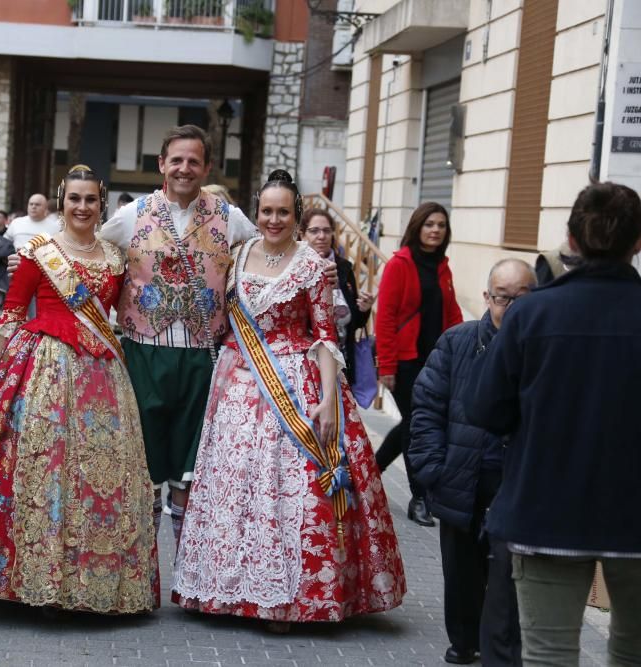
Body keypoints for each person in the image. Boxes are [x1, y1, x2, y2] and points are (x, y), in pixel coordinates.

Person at [172, 170, 405, 633]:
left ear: (296, 215)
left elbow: (325, 335)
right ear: (255, 213)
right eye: (266, 211)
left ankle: (290, 600)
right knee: (235, 487)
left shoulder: (313, 266)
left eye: (283, 212)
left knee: (286, 490)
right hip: (237, 386)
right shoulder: (237, 256)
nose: (273, 219)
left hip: (295, 385)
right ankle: (225, 588)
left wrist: (330, 402)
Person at [0, 165, 158, 613]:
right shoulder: (37, 252)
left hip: (100, 379)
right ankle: (26, 577)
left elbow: (126, 311)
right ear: (61, 201)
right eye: (74, 199)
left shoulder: (114, 256)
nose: (82, 207)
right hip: (41, 370)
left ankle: (90, 583)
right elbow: (11, 313)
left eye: (90, 199)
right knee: (40, 470)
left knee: (95, 476)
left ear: (101, 203)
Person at [470, 182, 641, 667]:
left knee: (548, 655)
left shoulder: (531, 314)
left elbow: (486, 410)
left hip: (545, 510)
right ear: (638, 241)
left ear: (571, 238)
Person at [98, 125, 257, 545]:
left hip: (203, 358)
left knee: (192, 468)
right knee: (144, 466)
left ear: (206, 166)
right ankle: (141, 569)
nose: (184, 169)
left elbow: (266, 258)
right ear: (162, 164)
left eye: (193, 161)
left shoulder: (231, 217)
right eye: (177, 160)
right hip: (143, 353)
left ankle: (187, 572)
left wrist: (323, 267)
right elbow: (89, 254)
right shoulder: (131, 214)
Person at [410, 259, 535, 666]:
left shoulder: (542, 349)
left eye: (522, 298)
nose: (511, 307)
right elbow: (426, 408)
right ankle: (464, 643)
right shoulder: (457, 342)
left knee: (506, 577)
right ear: (487, 297)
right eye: (503, 298)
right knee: (461, 573)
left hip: (514, 483)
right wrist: (433, 470)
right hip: (460, 477)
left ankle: (498, 648)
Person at [373, 202, 463, 527]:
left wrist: (462, 351)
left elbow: (452, 313)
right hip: (405, 360)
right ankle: (420, 497)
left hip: (435, 361)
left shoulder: (443, 267)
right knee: (416, 427)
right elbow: (385, 317)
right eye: (429, 224)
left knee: (414, 424)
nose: (435, 230)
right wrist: (386, 365)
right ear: (417, 227)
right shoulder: (400, 264)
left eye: (440, 225)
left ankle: (370, 471)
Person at [301, 208, 374, 386]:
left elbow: (353, 321)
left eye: (327, 231)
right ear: (302, 235)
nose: (321, 236)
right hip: (306, 362)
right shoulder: (294, 267)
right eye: (314, 231)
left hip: (342, 361)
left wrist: (364, 309)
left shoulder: (344, 268)